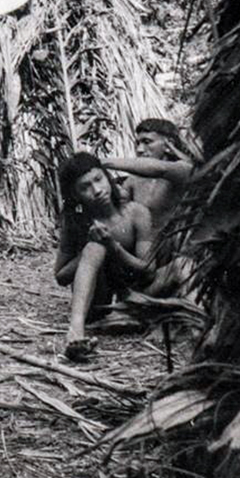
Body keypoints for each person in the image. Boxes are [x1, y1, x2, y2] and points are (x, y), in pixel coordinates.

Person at [54, 152, 153, 362]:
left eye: (98, 179)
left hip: (135, 298)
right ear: (75, 196)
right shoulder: (76, 222)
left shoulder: (136, 213)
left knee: (100, 246)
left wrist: (113, 247)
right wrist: (88, 249)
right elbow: (61, 276)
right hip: (98, 305)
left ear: (107, 177)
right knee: (94, 248)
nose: (97, 190)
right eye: (85, 187)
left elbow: (148, 270)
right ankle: (76, 331)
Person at [103, 118, 193, 233]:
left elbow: (159, 169)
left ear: (168, 145)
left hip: (179, 240)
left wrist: (100, 162)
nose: (139, 149)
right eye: (137, 144)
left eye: (147, 142)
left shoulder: (183, 167)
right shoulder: (133, 180)